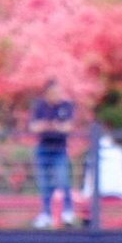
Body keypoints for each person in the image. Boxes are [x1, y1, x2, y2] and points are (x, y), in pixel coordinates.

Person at [29, 81, 77, 226]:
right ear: (47, 94)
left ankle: (68, 211)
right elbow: (34, 127)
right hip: (43, 149)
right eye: (55, 93)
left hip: (59, 150)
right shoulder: (40, 106)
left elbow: (67, 127)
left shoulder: (66, 106)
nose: (58, 96)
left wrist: (50, 126)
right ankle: (46, 213)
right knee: (44, 184)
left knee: (63, 180)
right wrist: (53, 126)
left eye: (59, 92)